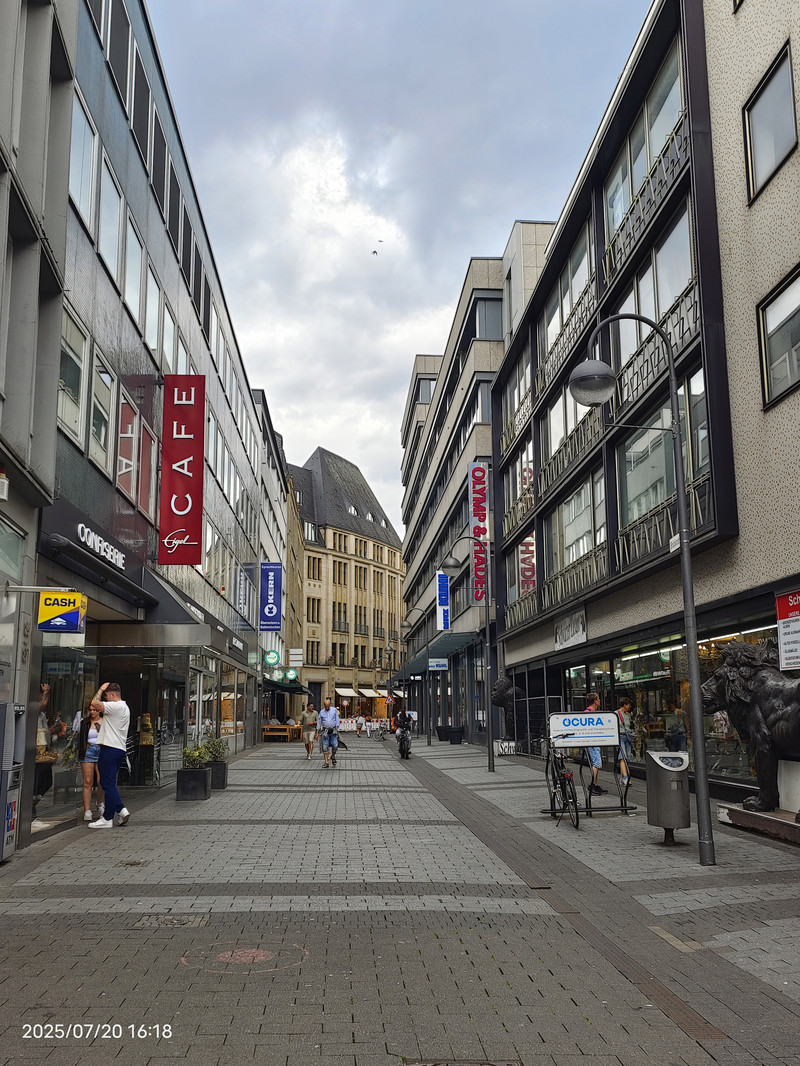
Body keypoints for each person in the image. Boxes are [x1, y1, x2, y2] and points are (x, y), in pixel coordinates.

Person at [87, 682, 131, 829]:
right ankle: (112, 814)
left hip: (110, 748)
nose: (105, 698)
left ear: (112, 695)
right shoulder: (125, 708)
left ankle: (115, 813)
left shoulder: (115, 706)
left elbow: (94, 703)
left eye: (107, 696)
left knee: (107, 783)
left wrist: (101, 688)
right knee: (109, 783)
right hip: (119, 748)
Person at [78, 705, 105, 821]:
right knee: (87, 781)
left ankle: (100, 803)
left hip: (101, 750)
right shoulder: (85, 722)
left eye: (94, 710)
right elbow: (81, 739)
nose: (92, 712)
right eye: (90, 710)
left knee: (101, 781)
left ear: (99, 711)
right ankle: (87, 810)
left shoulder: (105, 721)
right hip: (88, 751)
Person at [584, 692, 606, 796]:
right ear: (594, 701)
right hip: (592, 741)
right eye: (598, 699)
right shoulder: (588, 713)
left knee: (596, 763)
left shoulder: (592, 712)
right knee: (597, 763)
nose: (599, 701)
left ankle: (595, 784)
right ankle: (592, 785)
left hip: (595, 740)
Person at [615, 696, 634, 788]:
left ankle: (623, 777)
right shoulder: (616, 714)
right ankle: (626, 778)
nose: (630, 706)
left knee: (627, 757)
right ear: (624, 705)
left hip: (628, 737)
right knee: (622, 757)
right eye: (629, 705)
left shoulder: (628, 715)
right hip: (620, 736)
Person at [317, 697, 340, 768]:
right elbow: (319, 722)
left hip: (333, 731)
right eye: (326, 706)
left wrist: (337, 726)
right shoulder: (321, 712)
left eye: (328, 706)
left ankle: (333, 756)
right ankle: (326, 762)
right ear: (324, 705)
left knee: (335, 745)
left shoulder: (334, 710)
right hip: (325, 731)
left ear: (330, 705)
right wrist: (317, 732)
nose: (327, 707)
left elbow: (337, 719)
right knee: (325, 747)